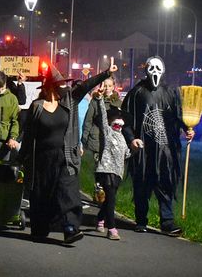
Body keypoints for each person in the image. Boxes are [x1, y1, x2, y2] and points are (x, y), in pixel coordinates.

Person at [19, 58, 117, 244]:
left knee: (68, 192)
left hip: (65, 156)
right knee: (42, 194)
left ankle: (70, 228)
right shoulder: (37, 107)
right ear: (50, 87)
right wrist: (22, 158)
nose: (65, 88)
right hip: (42, 159)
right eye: (61, 85)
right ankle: (40, 227)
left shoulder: (70, 101)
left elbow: (86, 85)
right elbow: (29, 134)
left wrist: (106, 73)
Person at [121, 56, 194, 236]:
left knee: (166, 182)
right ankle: (141, 220)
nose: (154, 72)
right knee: (142, 184)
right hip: (143, 151)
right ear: (146, 69)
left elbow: (179, 115)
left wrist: (188, 128)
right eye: (150, 67)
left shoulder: (171, 92)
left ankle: (167, 221)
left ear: (163, 70)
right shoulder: (136, 93)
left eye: (157, 68)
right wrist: (131, 139)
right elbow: (126, 120)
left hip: (165, 150)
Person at [92, 93, 131, 240]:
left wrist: (135, 149)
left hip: (118, 173)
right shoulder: (107, 132)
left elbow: (126, 154)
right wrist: (100, 100)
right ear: (110, 122)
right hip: (106, 170)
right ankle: (112, 228)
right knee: (112, 199)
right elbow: (102, 117)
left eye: (121, 124)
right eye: (116, 122)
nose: (119, 125)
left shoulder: (122, 138)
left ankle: (100, 218)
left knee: (109, 199)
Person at [82, 77, 122, 157]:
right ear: (101, 86)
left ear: (113, 87)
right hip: (95, 141)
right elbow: (88, 121)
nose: (107, 88)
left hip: (112, 141)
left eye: (110, 86)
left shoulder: (119, 103)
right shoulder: (95, 100)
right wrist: (84, 139)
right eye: (105, 86)